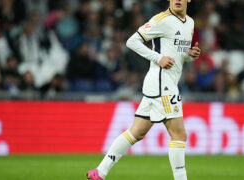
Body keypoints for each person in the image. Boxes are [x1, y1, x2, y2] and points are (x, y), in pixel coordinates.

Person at [86, 0, 201, 180]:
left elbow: (176, 56)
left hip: (160, 84)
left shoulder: (190, 23)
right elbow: (132, 41)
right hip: (162, 84)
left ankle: (99, 172)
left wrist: (188, 56)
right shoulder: (161, 19)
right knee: (179, 134)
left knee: (136, 132)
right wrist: (157, 57)